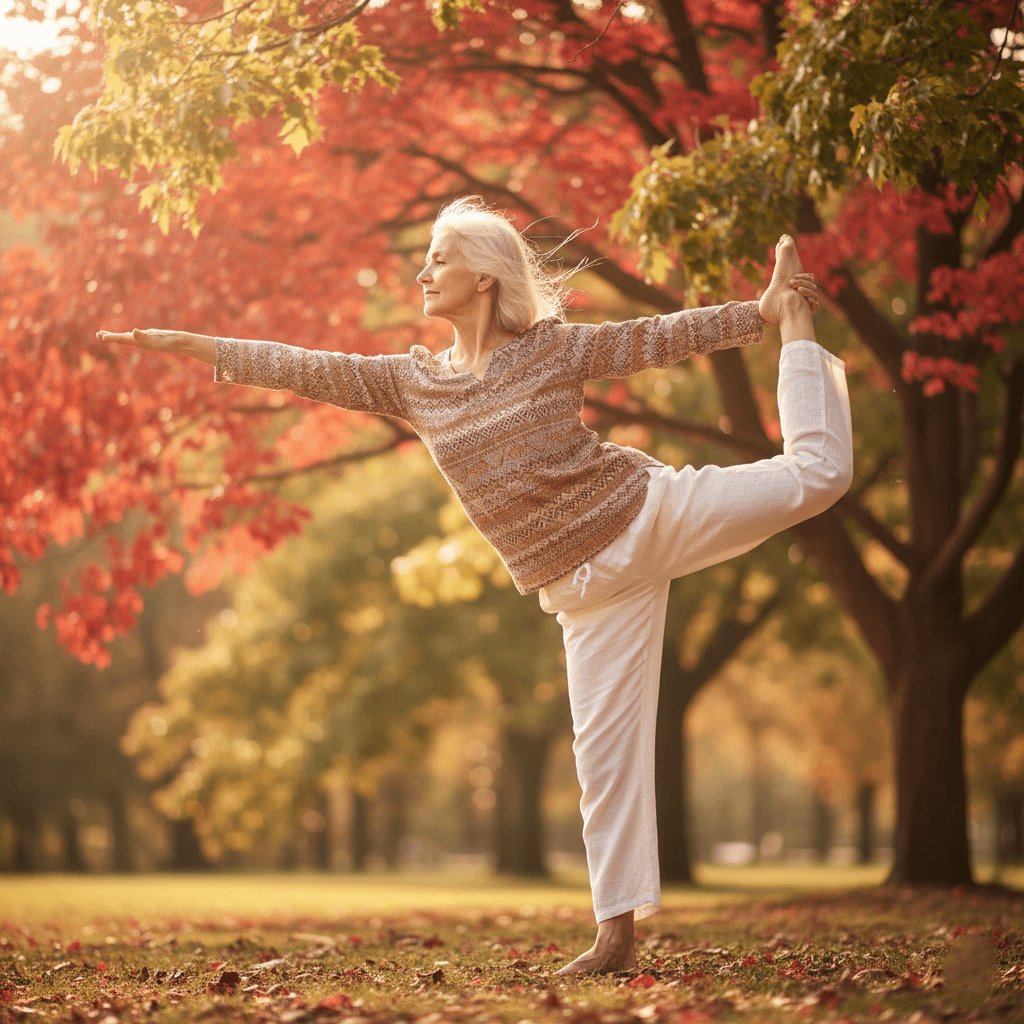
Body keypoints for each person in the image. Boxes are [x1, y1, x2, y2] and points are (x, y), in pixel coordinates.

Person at [97, 196, 851, 976]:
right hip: (585, 594)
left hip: (644, 517)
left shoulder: (549, 350)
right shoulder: (415, 385)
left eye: (440, 257)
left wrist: (762, 314)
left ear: (485, 277)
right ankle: (616, 939)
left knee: (820, 475)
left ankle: (802, 336)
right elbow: (304, 367)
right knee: (604, 761)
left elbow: (651, 338)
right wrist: (192, 344)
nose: (423, 270)